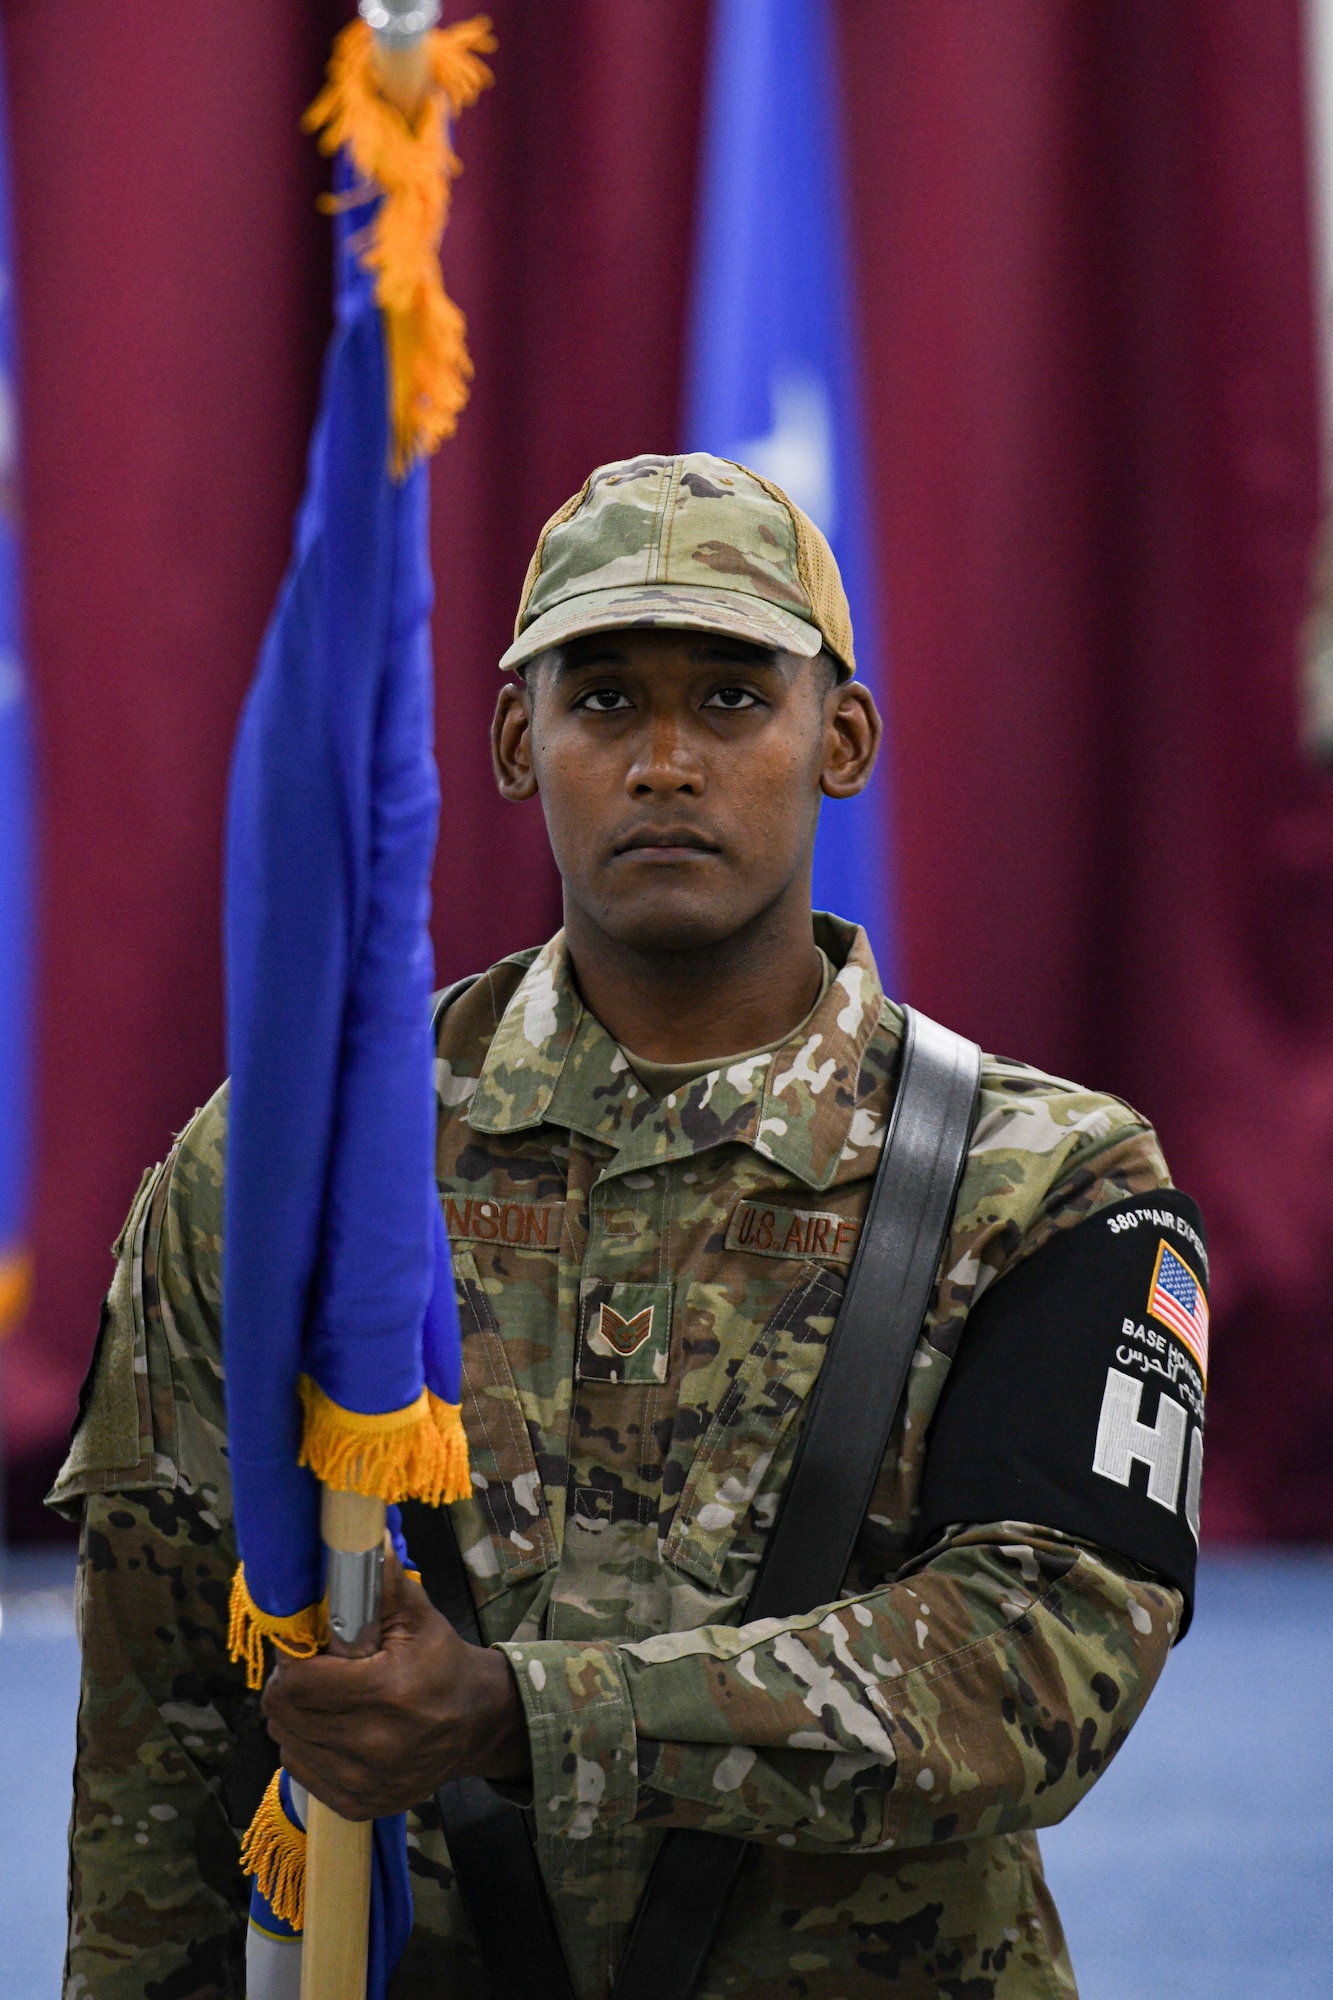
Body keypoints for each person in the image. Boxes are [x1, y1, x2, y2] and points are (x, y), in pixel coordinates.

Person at [52, 452, 1206, 1999]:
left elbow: (1042, 1668)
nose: (666, 758)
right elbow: (162, 1722)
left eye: (732, 699)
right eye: (603, 701)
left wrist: (517, 1716)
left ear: (840, 739)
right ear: (518, 743)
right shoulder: (294, 1164)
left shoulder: (1047, 1179)